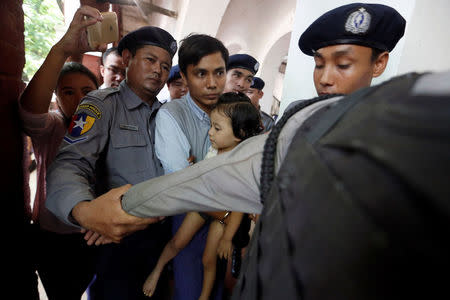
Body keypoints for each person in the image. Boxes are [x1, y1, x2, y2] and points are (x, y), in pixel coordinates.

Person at [57, 3, 406, 245]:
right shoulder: (137, 109)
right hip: (137, 230)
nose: (326, 79)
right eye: (318, 64)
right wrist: (92, 212)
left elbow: (225, 173)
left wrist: (122, 208)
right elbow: (205, 177)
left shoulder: (400, 132)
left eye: (343, 65)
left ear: (379, 64)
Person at [45, 25, 178, 300]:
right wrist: (84, 211)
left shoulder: (168, 116)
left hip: (163, 237)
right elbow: (70, 163)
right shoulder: (101, 105)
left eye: (165, 66)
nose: (158, 71)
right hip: (118, 239)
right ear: (127, 59)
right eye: (150, 60)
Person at [142, 92, 262, 299]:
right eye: (211, 126)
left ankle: (204, 297)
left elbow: (239, 207)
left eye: (217, 128)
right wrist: (193, 169)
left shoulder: (241, 164)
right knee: (177, 242)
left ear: (239, 133)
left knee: (209, 259)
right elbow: (204, 174)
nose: (210, 133)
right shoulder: (214, 152)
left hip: (224, 216)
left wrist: (227, 238)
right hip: (203, 205)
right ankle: (157, 270)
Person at [19, 6, 103, 300]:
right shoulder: (53, 128)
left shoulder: (107, 129)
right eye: (68, 92)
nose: (80, 99)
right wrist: (61, 50)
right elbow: (30, 111)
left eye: (87, 91)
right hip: (52, 238)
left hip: (93, 235)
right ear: (57, 98)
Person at [153, 33, 229, 300]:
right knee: (192, 291)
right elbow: (182, 186)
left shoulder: (231, 110)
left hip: (228, 220)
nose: (212, 83)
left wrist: (199, 171)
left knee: (219, 288)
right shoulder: (171, 116)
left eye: (219, 73)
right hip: (191, 220)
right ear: (183, 77)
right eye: (201, 74)